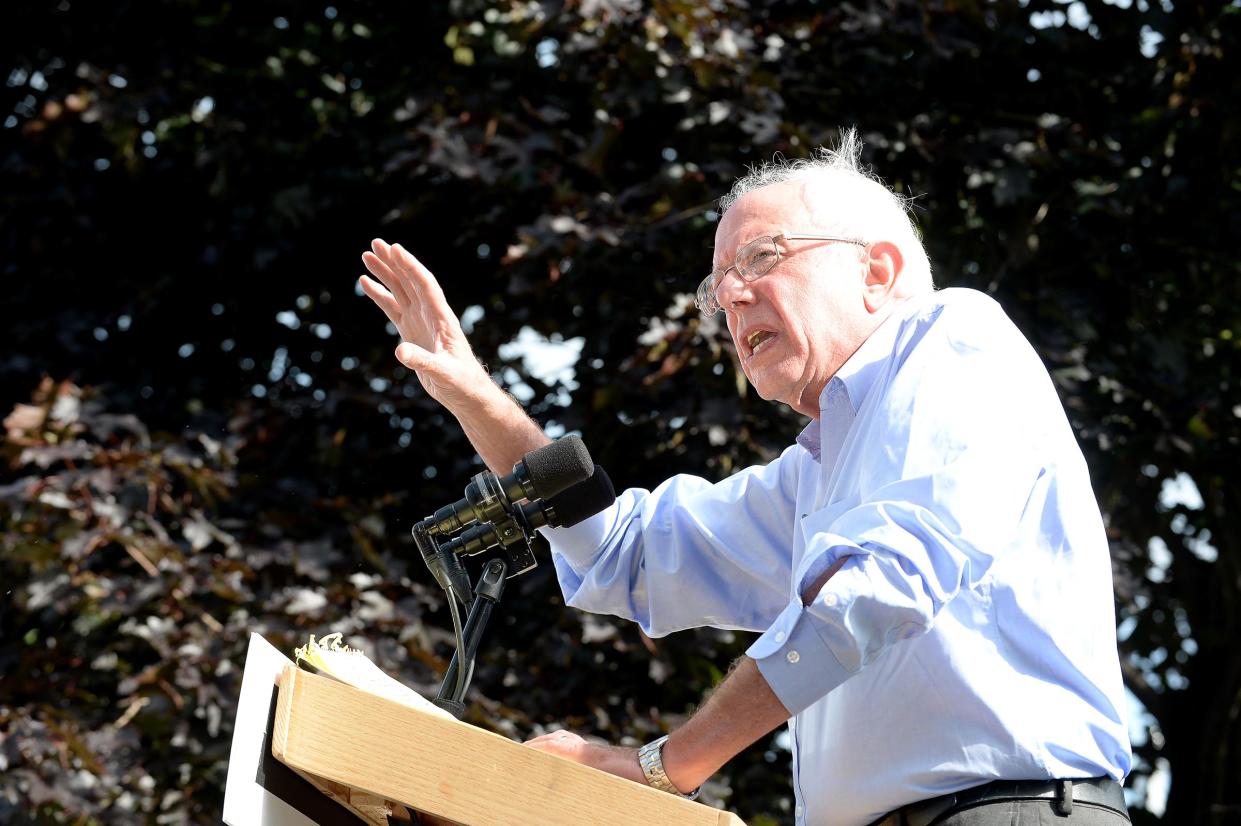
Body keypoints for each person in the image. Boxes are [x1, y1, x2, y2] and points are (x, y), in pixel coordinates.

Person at [357, 130, 1132, 826]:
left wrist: (666, 766)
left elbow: (874, 586)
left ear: (877, 271)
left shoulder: (953, 338)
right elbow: (625, 551)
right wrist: (475, 395)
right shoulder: (817, 477)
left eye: (761, 258)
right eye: (717, 282)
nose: (728, 297)